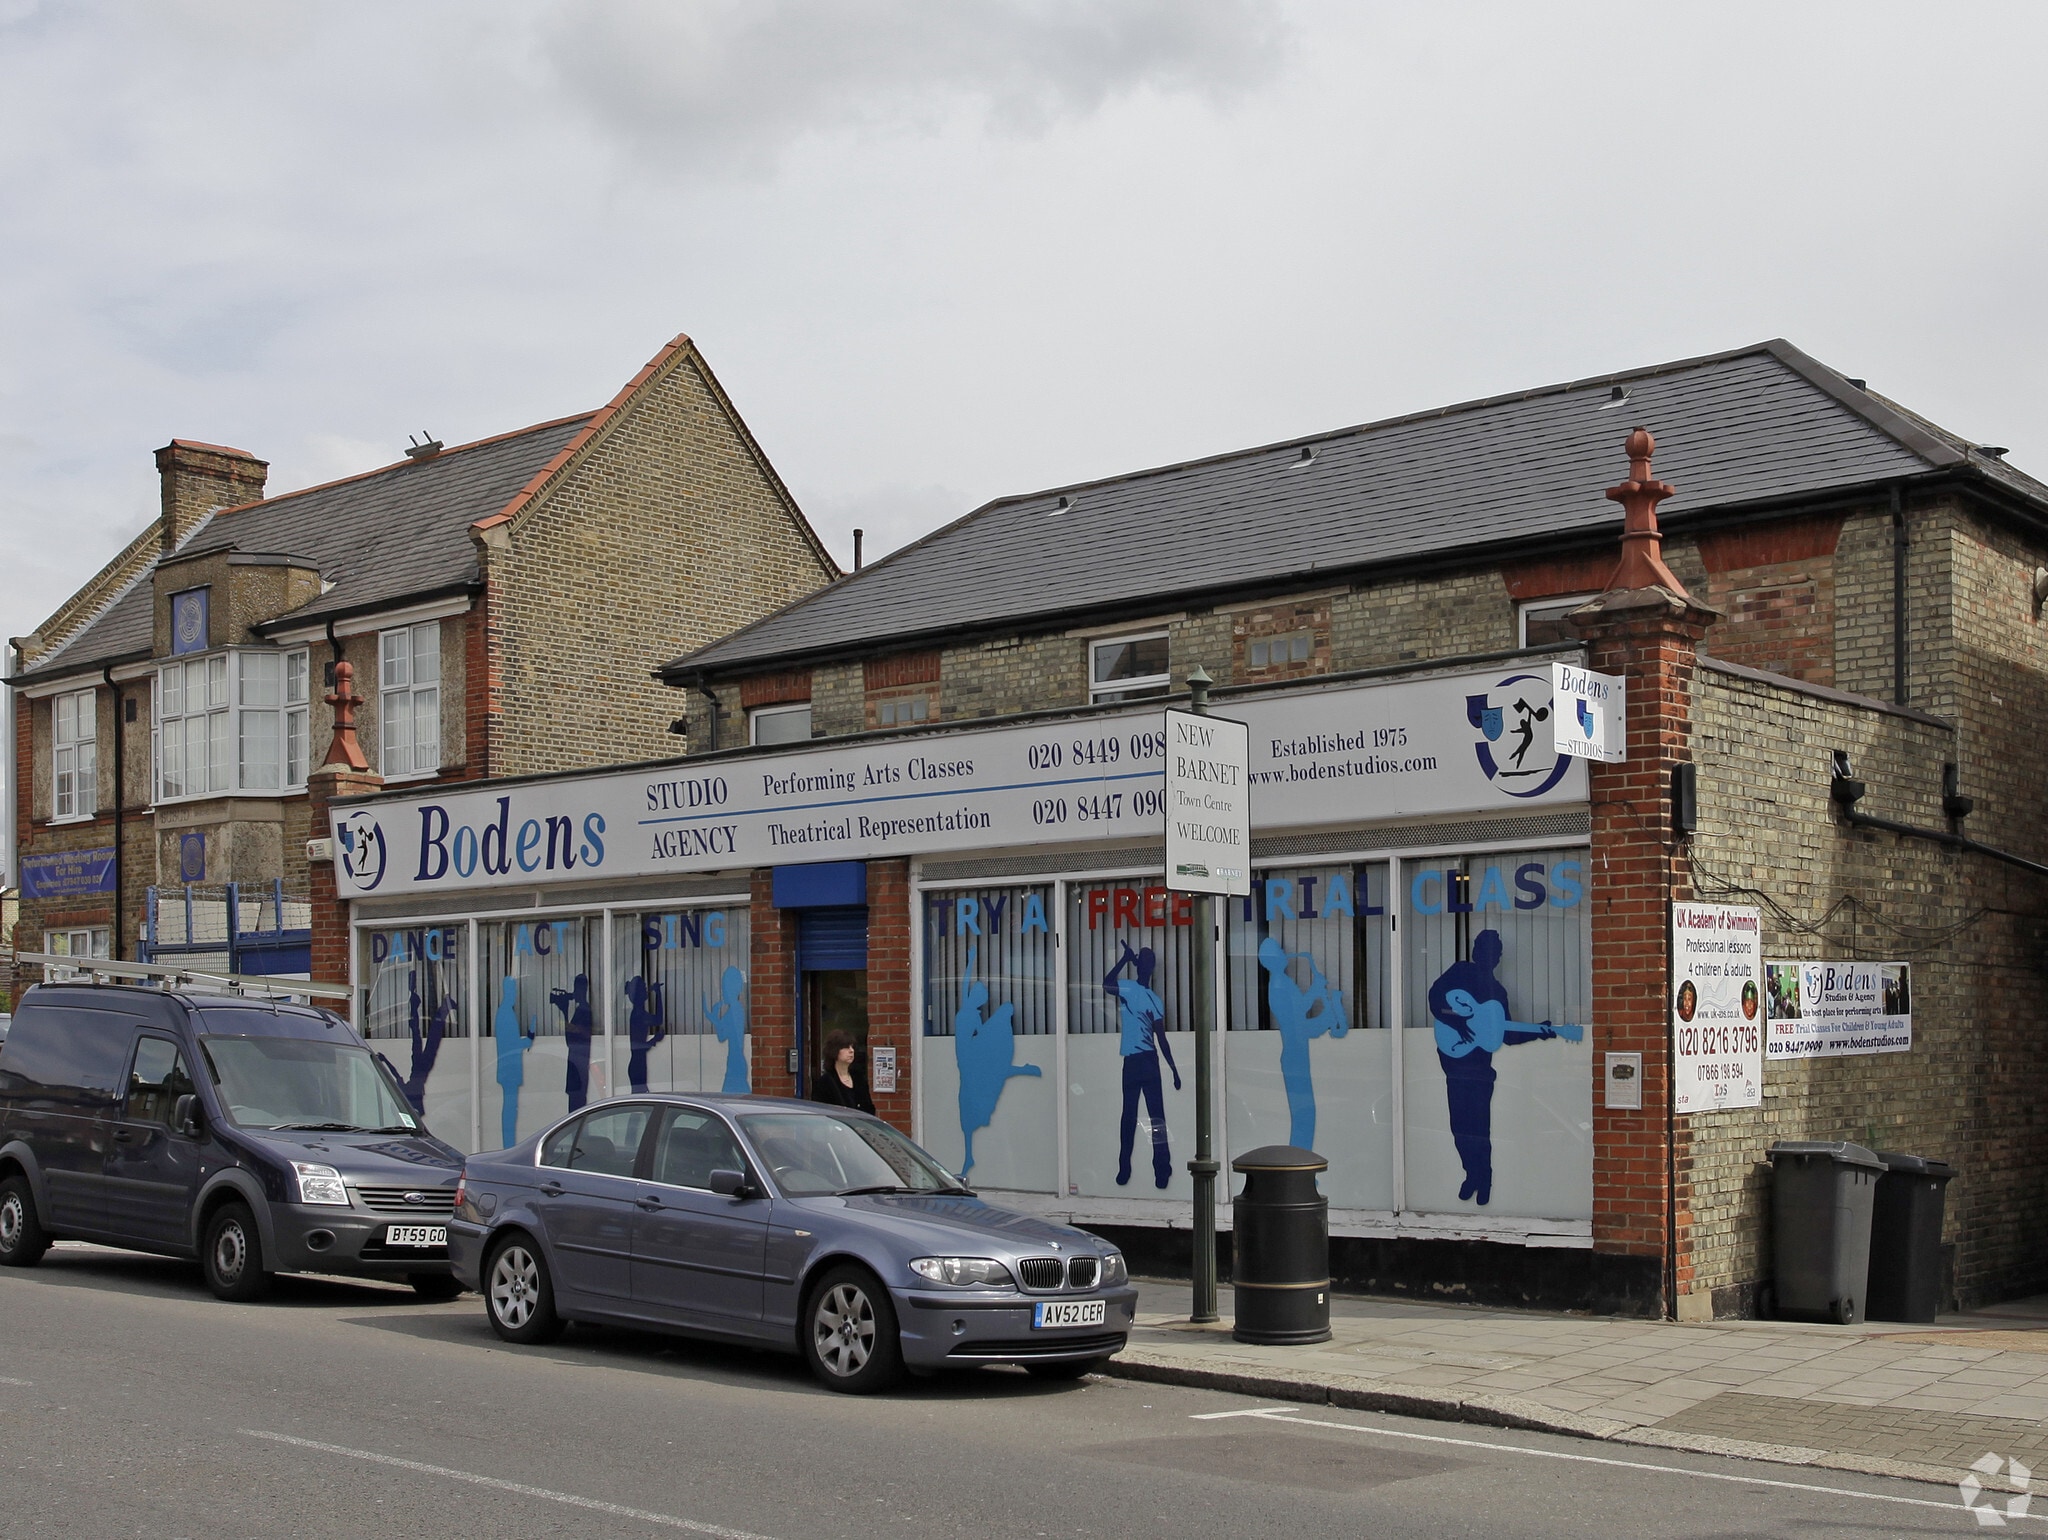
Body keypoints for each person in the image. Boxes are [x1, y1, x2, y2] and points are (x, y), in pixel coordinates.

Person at [1427, 929, 1582, 1206]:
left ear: (1497, 958)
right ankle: (1470, 1174)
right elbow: (1436, 997)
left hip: (1479, 1071)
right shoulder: (1460, 971)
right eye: (1481, 949)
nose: (1486, 955)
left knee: (1479, 1129)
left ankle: (1483, 1180)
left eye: (1491, 952)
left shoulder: (1497, 993)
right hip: (1454, 1066)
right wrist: (1456, 1022)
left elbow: (1507, 1036)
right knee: (1458, 1127)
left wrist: (1541, 1031)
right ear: (1475, 952)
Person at [952, 943, 1041, 1177]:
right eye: (979, 994)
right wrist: (970, 961)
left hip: (970, 1061)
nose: (980, 998)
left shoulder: (973, 1014)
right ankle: (968, 1155)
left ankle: (971, 1156)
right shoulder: (966, 1012)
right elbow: (963, 984)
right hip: (967, 1061)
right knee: (968, 1106)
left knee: (972, 1105)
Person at [1256, 936, 1349, 1151]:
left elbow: (1299, 1012)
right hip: (1294, 1055)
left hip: (1297, 1054)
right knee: (1304, 1116)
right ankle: (1299, 1170)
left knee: (1305, 1115)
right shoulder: (1279, 986)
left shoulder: (1283, 983)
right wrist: (1326, 1012)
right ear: (1273, 959)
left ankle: (1302, 1169)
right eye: (1278, 951)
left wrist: (1317, 992)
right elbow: (1299, 1024)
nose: (1283, 953)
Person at [1105, 941, 1180, 1189]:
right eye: (1144, 961)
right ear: (1140, 966)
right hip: (1135, 1061)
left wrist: (1174, 1069)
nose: (1146, 966)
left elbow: (1162, 1038)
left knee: (1154, 1118)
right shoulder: (1128, 988)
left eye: (1149, 962)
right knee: (1130, 1116)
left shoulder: (1153, 999)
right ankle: (1125, 1166)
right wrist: (1124, 959)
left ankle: (1161, 1168)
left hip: (1147, 1060)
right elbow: (1107, 984)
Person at [492, 975, 535, 1148]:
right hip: (509, 1070)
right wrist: (529, 1037)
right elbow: (512, 1043)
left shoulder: (505, 1012)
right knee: (510, 1110)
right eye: (512, 990)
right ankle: (508, 1146)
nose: (514, 994)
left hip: (508, 1069)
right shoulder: (506, 1013)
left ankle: (508, 1145)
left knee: (511, 1108)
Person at [550, 973, 595, 1112]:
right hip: (576, 1065)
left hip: (579, 1065)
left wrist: (564, 1012)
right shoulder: (580, 1009)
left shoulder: (584, 1010)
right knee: (575, 1107)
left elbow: (577, 1035)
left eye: (578, 988)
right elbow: (570, 1040)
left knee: (577, 1109)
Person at [703, 966, 750, 1094]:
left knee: (730, 1098)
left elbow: (727, 1033)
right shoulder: (733, 1010)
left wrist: (713, 1017)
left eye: (725, 987)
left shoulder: (735, 1010)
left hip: (736, 1060)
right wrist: (714, 1018)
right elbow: (722, 1036)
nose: (723, 991)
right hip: (734, 1059)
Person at [810, 1030, 875, 1114]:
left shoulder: (859, 1079)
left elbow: (869, 1108)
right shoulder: (825, 1082)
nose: (851, 1051)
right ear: (835, 1050)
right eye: (846, 1047)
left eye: (852, 1047)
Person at [623, 975, 666, 1095]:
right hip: (637, 1065)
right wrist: (655, 1039)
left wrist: (657, 993)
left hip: (638, 1064)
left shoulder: (639, 1013)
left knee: (639, 1099)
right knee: (639, 1100)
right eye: (644, 988)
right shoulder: (638, 1015)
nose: (647, 990)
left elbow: (657, 1020)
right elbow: (638, 1047)